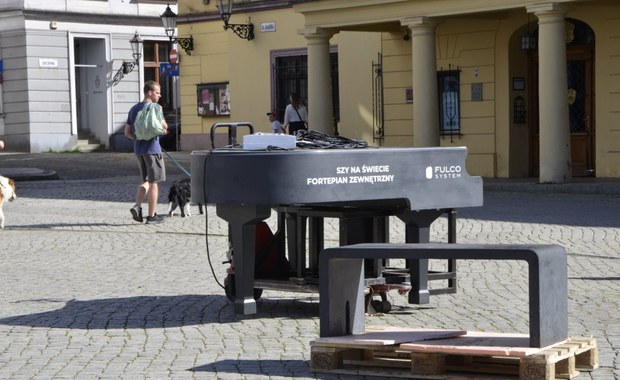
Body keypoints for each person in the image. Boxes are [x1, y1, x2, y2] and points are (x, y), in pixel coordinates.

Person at [124, 80, 168, 224]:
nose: (160, 95)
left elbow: (127, 133)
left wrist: (138, 138)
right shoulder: (156, 108)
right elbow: (164, 128)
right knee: (154, 182)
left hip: (139, 150)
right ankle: (152, 216)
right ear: (149, 92)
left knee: (145, 180)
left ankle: (137, 206)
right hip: (153, 150)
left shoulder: (134, 109)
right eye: (157, 92)